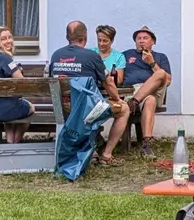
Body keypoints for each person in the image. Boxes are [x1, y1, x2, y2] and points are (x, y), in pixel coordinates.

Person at [47, 21, 123, 163]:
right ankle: (106, 155)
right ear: (85, 37)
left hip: (63, 109)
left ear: (67, 37)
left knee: (84, 109)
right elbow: (109, 82)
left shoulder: (56, 55)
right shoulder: (91, 56)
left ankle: (91, 150)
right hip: (88, 111)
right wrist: (117, 99)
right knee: (123, 109)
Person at [121, 26, 173, 155]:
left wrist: (151, 62)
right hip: (131, 91)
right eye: (138, 38)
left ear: (153, 42)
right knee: (150, 100)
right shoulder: (126, 55)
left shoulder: (160, 57)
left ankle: (134, 101)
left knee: (161, 73)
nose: (141, 41)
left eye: (145, 38)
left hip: (155, 90)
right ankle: (147, 144)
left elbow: (168, 81)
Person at [94, 25, 133, 161]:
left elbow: (119, 79)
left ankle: (105, 150)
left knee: (120, 109)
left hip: (109, 95)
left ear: (112, 41)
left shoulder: (118, 57)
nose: (101, 44)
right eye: (99, 40)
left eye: (105, 41)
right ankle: (94, 149)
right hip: (93, 94)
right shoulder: (91, 52)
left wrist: (101, 72)